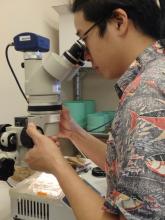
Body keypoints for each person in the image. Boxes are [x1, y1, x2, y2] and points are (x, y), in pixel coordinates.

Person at [25, 0, 165, 219]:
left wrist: (57, 164)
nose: (86, 55)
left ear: (119, 22)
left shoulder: (146, 99)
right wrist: (73, 132)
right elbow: (127, 166)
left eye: (84, 38)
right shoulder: (154, 78)